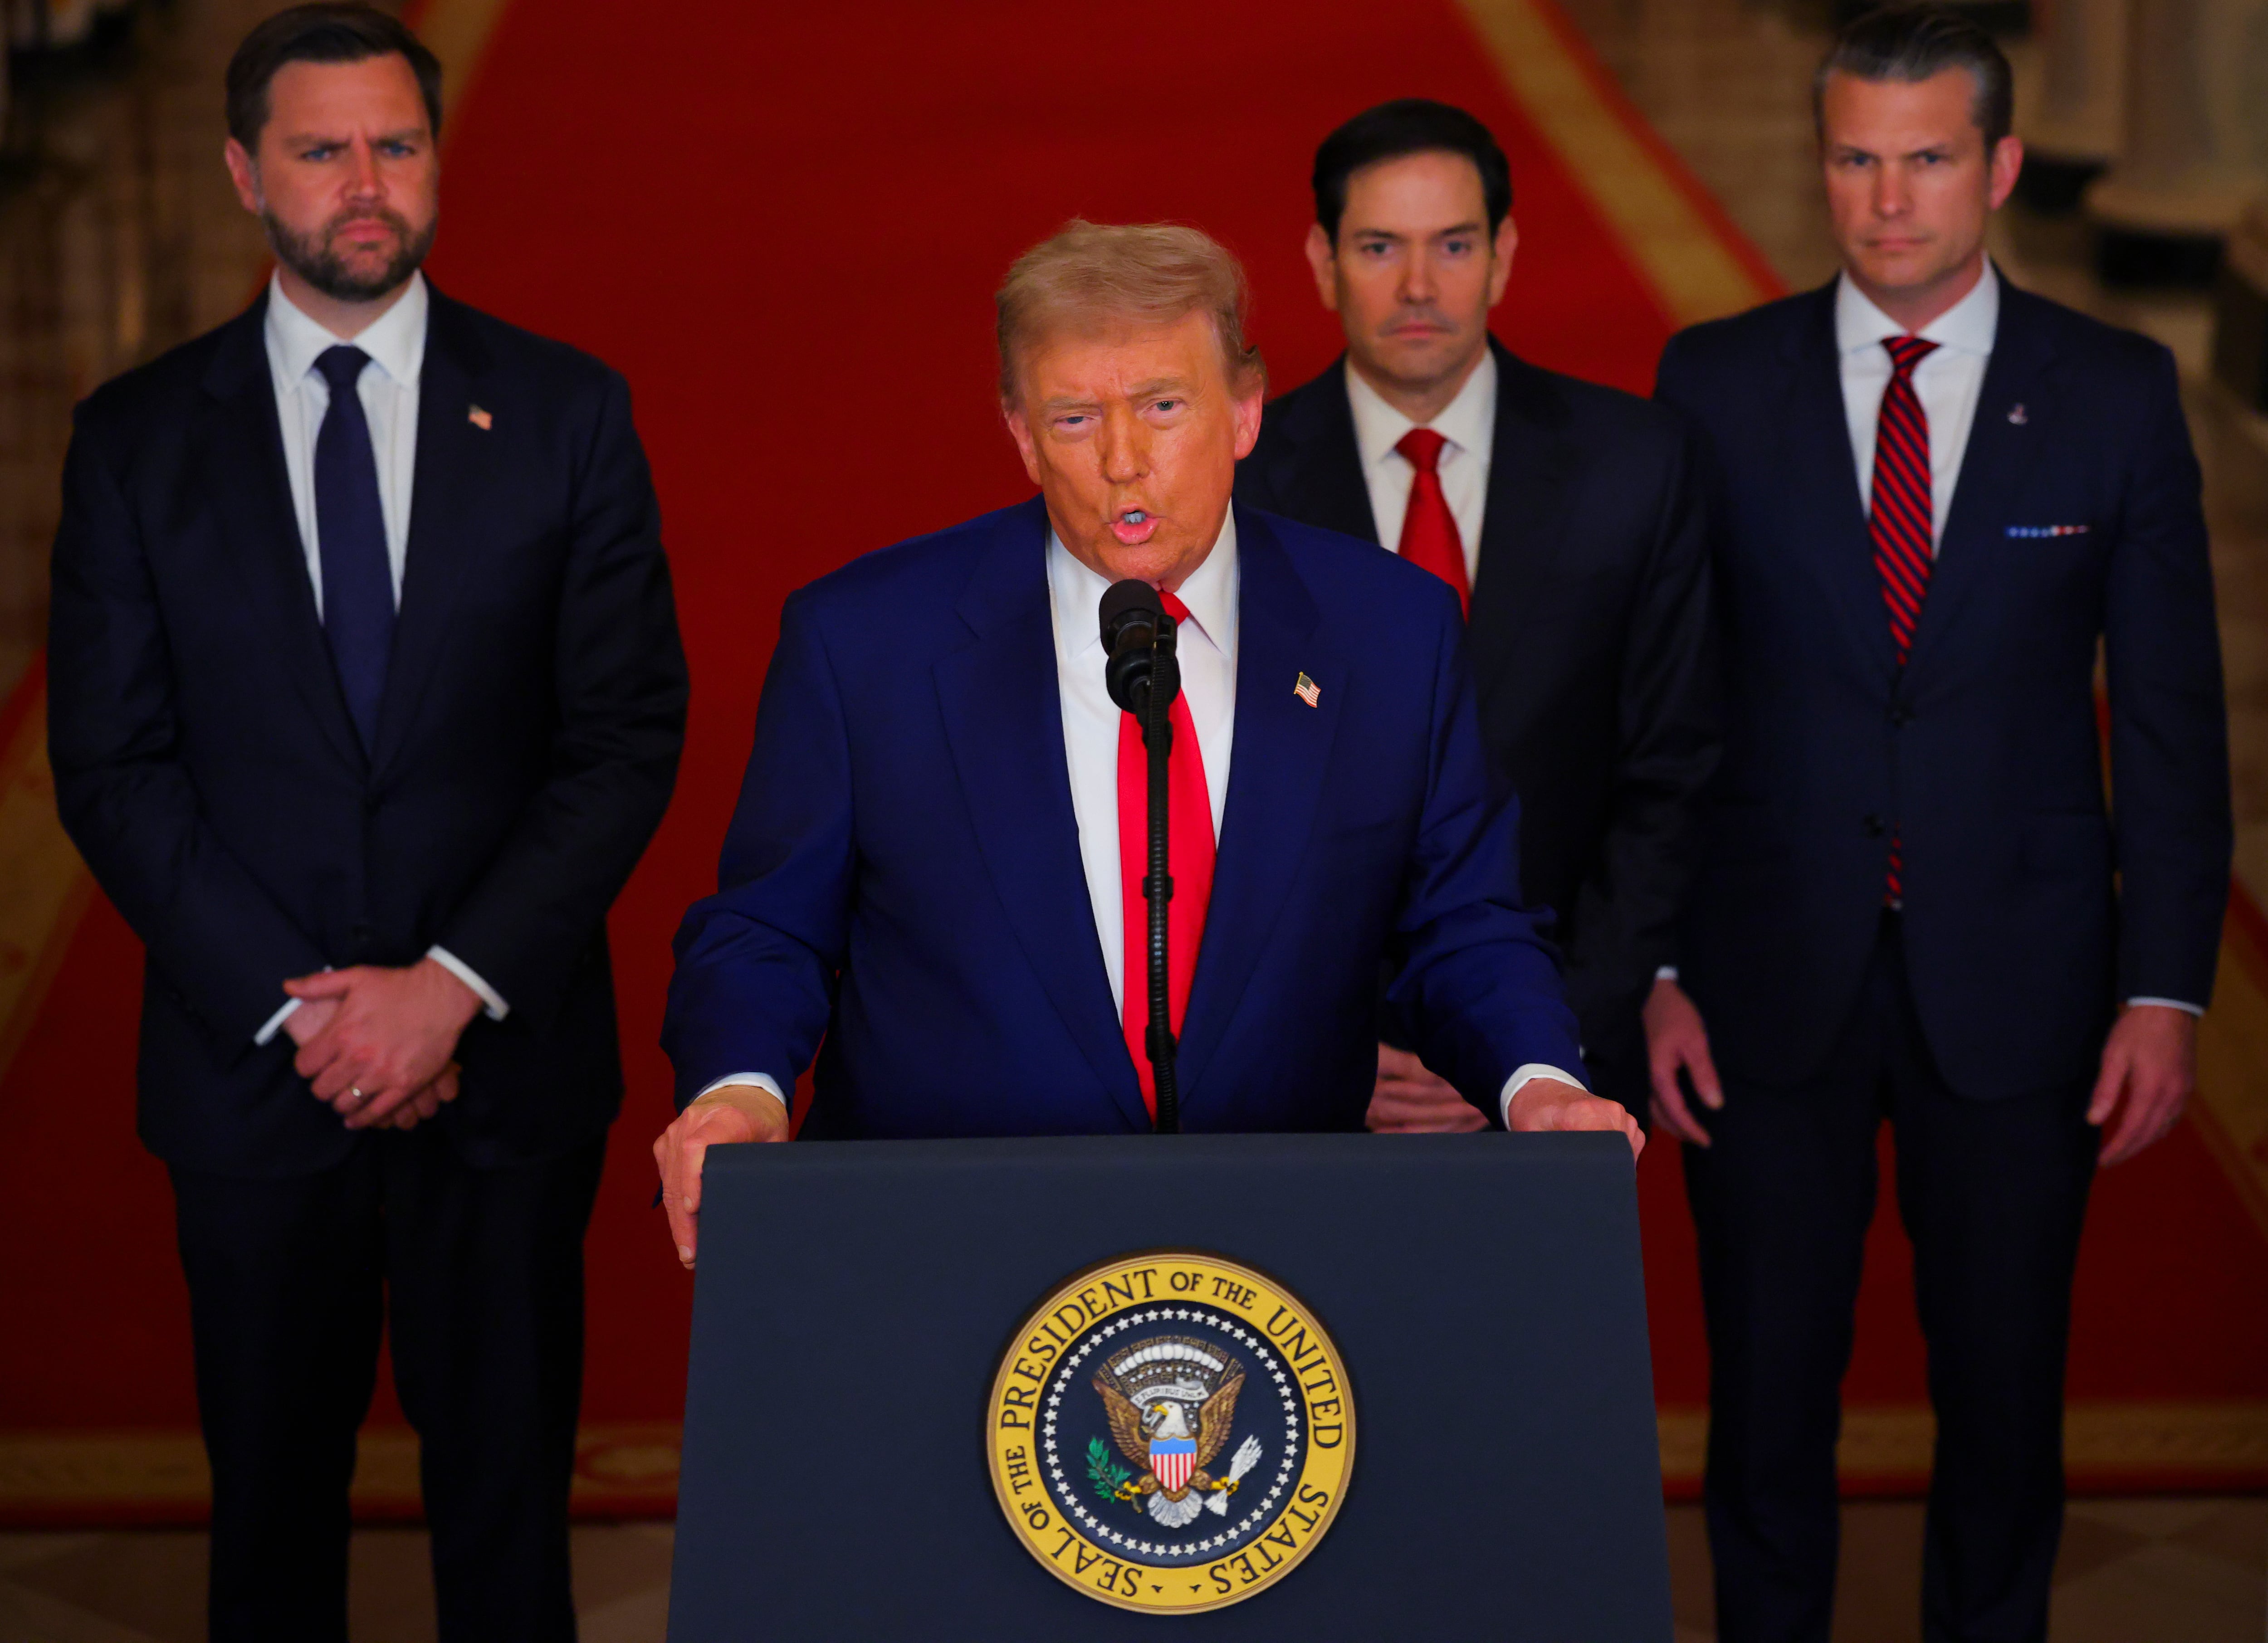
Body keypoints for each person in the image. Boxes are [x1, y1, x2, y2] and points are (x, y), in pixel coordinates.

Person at [45, 6, 688, 1638]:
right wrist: (311, 1011)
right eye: (323, 149)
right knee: (268, 1514)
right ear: (245, 172)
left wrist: (448, 985)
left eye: (396, 144)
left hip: (506, 1069)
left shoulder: (566, 412)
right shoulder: (136, 438)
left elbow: (622, 738)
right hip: (255, 1073)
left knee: (507, 1511)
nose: (365, 184)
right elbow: (113, 767)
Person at [653, 220, 1639, 1264]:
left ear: (1246, 411)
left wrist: (1542, 1086)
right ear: (1023, 435)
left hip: (1278, 1255)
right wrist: (738, 1092)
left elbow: (1465, 924)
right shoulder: (866, 642)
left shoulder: (1388, 633)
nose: (1123, 462)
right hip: (944, 1254)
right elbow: (768, 930)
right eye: (1074, 418)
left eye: (1164, 407)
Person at [1648, 9, 2231, 1641]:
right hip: (1767, 981)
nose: (1887, 199)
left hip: (2026, 983)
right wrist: (1665, 962)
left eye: (1924, 159)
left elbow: (2175, 724)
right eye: (1855, 157)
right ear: (1820, 164)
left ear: (2000, 168)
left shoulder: (2113, 395)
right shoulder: (1714, 379)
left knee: (2002, 1402)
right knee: (1765, 1405)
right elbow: (1668, 703)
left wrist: (2169, 990)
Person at [1235, 99, 1716, 1134]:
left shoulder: (1634, 464)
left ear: (1501, 257)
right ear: (1321, 261)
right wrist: (1331, 1050)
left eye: (1452, 245)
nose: (1418, 287)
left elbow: (1670, 776)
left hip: (1560, 1068)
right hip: (1306, 1078)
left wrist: (1527, 1052)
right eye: (1379, 247)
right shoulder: (1239, 487)